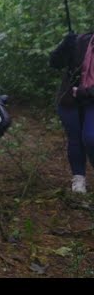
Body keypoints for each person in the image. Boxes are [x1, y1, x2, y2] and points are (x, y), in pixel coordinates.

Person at [49, 30, 94, 194]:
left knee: (90, 138)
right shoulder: (82, 41)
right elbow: (55, 63)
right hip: (70, 99)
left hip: (90, 99)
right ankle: (78, 178)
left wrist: (87, 92)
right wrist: (65, 46)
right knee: (75, 139)